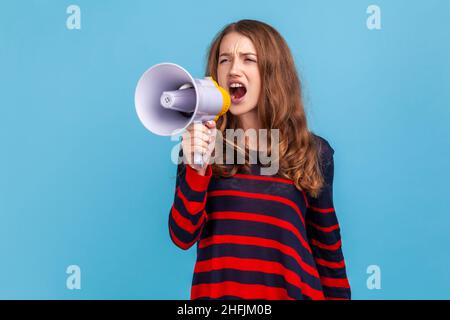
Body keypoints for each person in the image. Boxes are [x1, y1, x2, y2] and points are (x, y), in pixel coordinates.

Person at [168, 19, 351, 300]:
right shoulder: (198, 147)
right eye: (224, 60)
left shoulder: (312, 151)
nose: (233, 70)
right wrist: (196, 166)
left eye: (248, 59)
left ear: (272, 72)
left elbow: (328, 251)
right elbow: (182, 235)